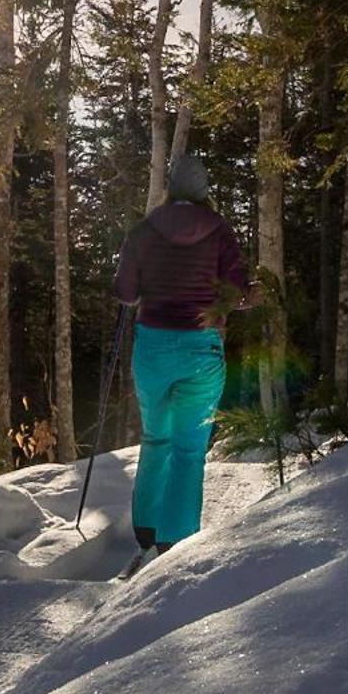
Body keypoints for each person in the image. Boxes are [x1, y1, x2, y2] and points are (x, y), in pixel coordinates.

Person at [113, 154, 255, 554]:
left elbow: (124, 293)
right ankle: (175, 543)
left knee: (156, 436)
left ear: (171, 187)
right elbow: (237, 291)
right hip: (201, 348)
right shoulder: (220, 232)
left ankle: (146, 527)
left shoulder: (143, 230)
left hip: (153, 346)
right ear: (204, 192)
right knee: (189, 449)